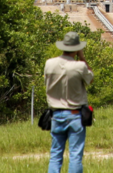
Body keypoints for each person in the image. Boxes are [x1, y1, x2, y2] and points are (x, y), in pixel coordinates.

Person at [44, 31, 94, 173]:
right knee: (75, 156)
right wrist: (82, 57)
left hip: (55, 114)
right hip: (75, 114)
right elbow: (91, 79)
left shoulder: (49, 63)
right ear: (77, 48)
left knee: (55, 154)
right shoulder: (79, 66)